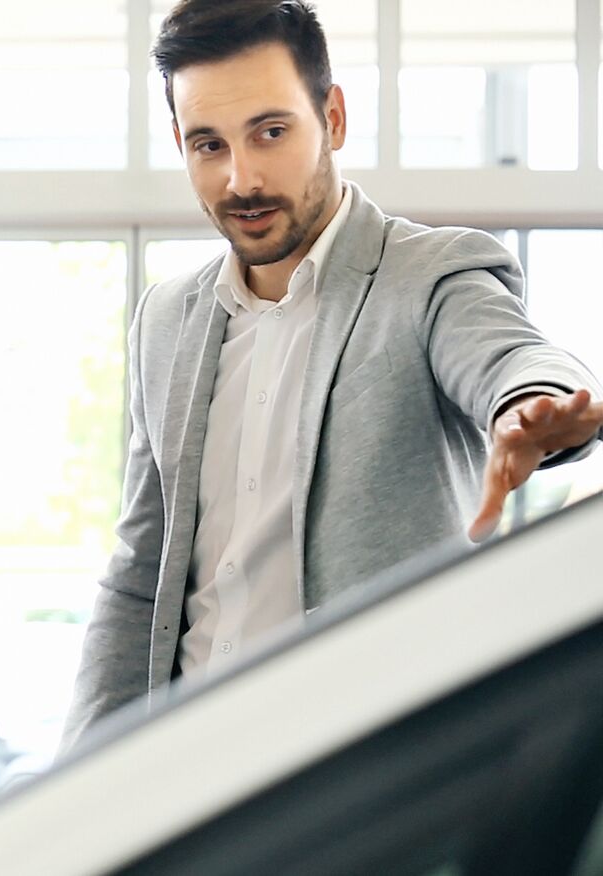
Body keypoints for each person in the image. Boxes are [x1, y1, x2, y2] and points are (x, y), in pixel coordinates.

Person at [61, 0, 603, 751]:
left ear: (334, 118)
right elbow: (138, 573)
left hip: (352, 781)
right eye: (207, 145)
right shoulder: (166, 319)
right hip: (185, 774)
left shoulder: (426, 275)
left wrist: (532, 404)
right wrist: (83, 774)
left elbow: (511, 356)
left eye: (270, 132)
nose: (240, 178)